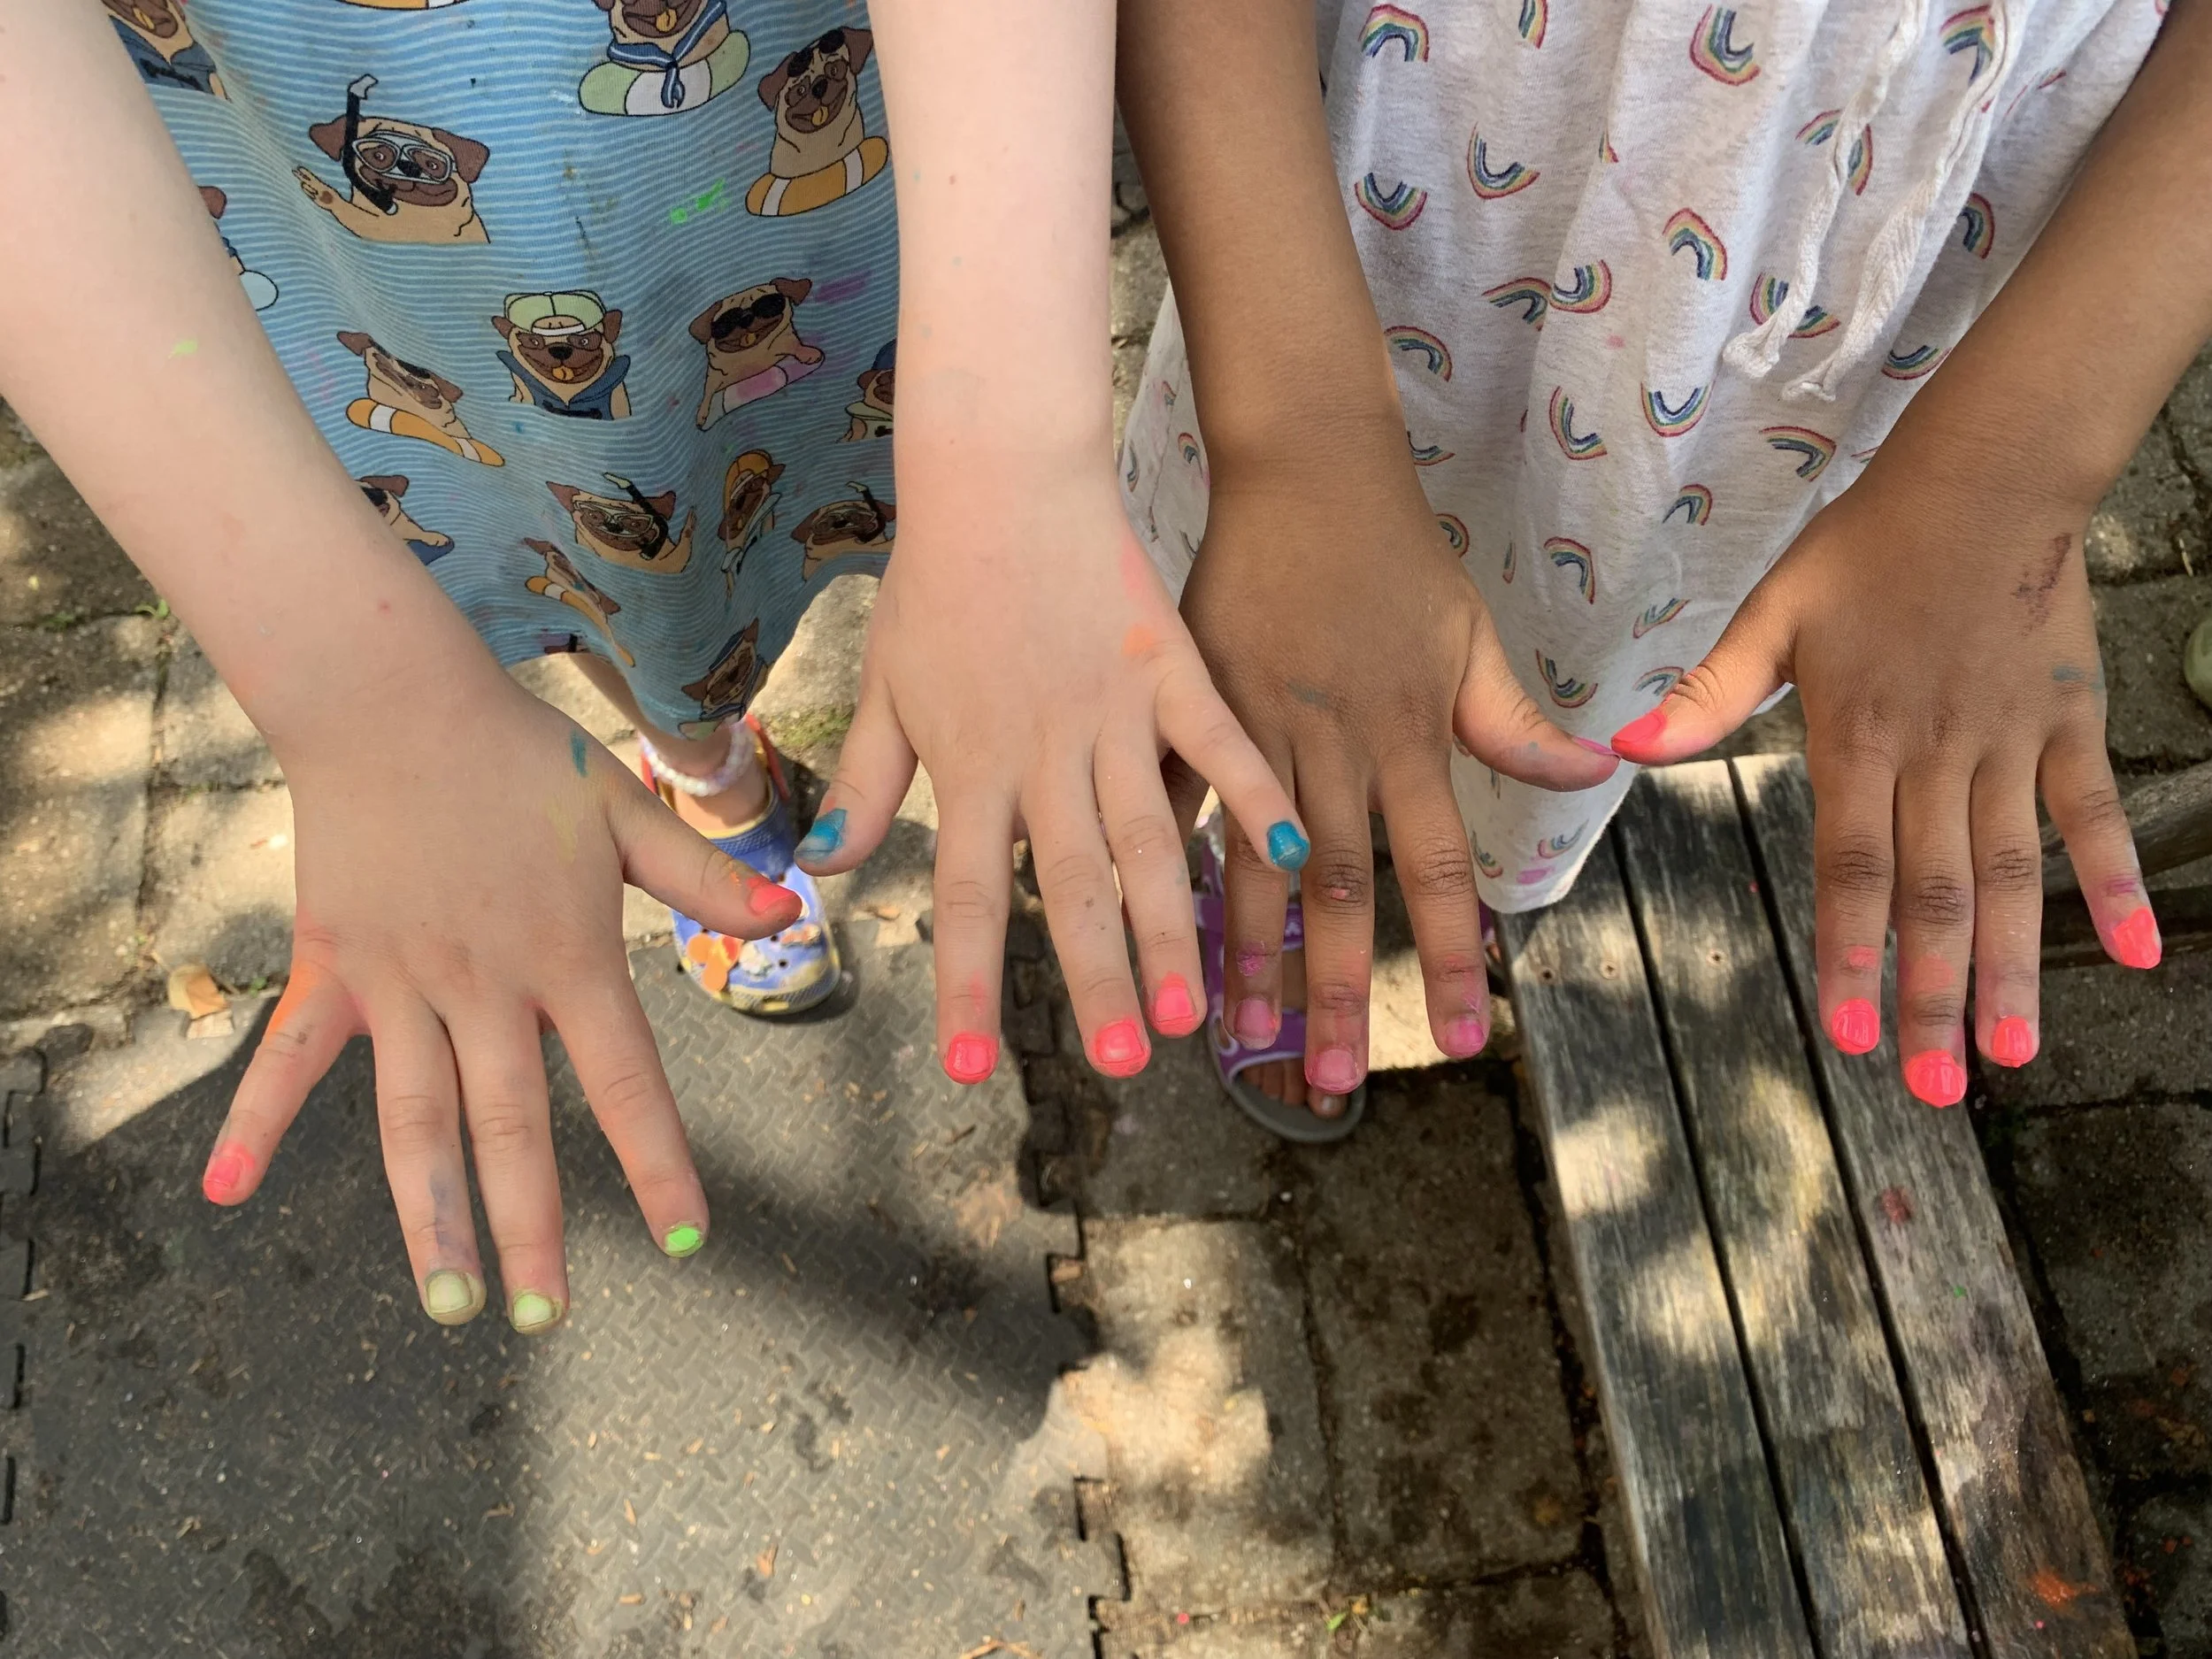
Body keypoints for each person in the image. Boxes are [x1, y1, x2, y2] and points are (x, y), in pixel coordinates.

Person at [0, 0, 1325, 1333]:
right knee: (571, 541)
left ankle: (732, 757)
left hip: (862, 166)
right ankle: (706, 768)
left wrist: (1015, 455)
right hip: (393, 269)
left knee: (865, 489)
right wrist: (361, 697)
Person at [1115, 0, 2202, 1134]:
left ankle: (1475, 839)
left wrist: (2009, 476)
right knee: (1290, 633)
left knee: (1592, 659)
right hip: (1391, 209)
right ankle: (1288, 848)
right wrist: (1294, 438)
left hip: (1801, 337)